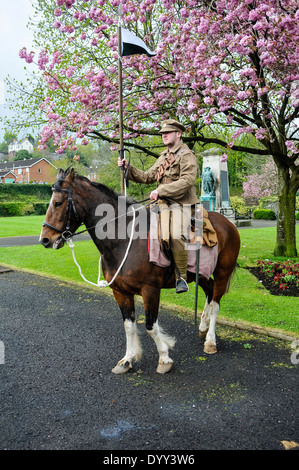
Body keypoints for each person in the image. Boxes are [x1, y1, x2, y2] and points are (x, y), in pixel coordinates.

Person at [118, 118, 199, 293]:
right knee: (135, 224)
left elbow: (187, 181)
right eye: (162, 133)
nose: (163, 136)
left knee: (175, 234)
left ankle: (182, 277)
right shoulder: (164, 156)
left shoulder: (187, 155)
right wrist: (128, 168)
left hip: (182, 203)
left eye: (167, 133)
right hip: (161, 203)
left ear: (178, 134)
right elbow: (147, 176)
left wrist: (161, 190)